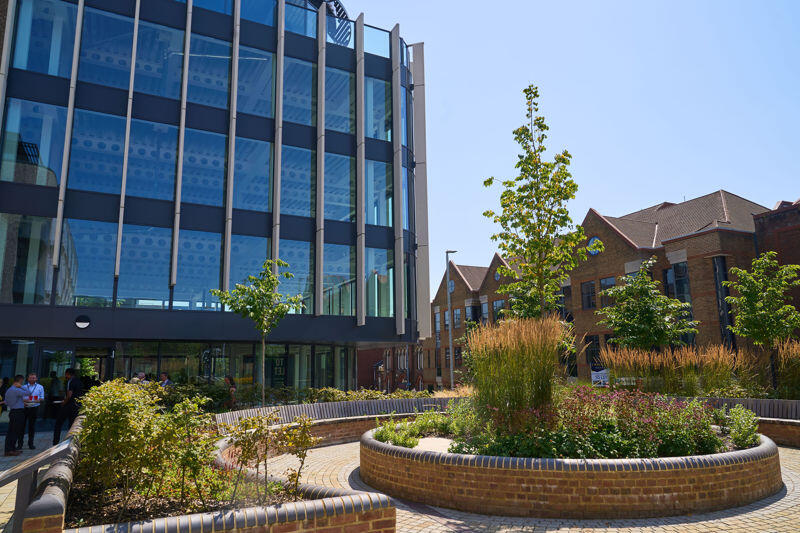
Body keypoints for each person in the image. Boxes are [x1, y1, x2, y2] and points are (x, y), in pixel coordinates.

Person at [52, 368, 83, 445]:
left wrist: (64, 402)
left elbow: (69, 395)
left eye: (66, 374)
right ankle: (71, 443)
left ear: (68, 374)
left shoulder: (70, 381)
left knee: (58, 423)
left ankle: (55, 442)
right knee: (72, 425)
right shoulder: (79, 381)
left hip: (69, 405)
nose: (65, 376)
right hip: (77, 405)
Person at [19, 373, 44, 450]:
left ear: (36, 379)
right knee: (21, 427)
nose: (32, 379)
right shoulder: (23, 387)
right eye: (31, 378)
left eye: (34, 378)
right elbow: (20, 398)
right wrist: (25, 401)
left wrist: (36, 401)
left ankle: (31, 444)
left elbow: (42, 398)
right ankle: (20, 444)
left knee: (32, 427)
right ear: (28, 379)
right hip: (25, 408)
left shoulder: (40, 387)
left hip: (34, 408)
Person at [3, 375, 26, 456]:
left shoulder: (9, 390)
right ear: (19, 381)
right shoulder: (16, 390)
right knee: (14, 431)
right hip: (17, 412)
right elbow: (29, 393)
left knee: (11, 431)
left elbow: (6, 402)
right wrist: (22, 387)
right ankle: (10, 450)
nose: (22, 383)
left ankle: (11, 449)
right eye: (22, 382)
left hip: (13, 412)